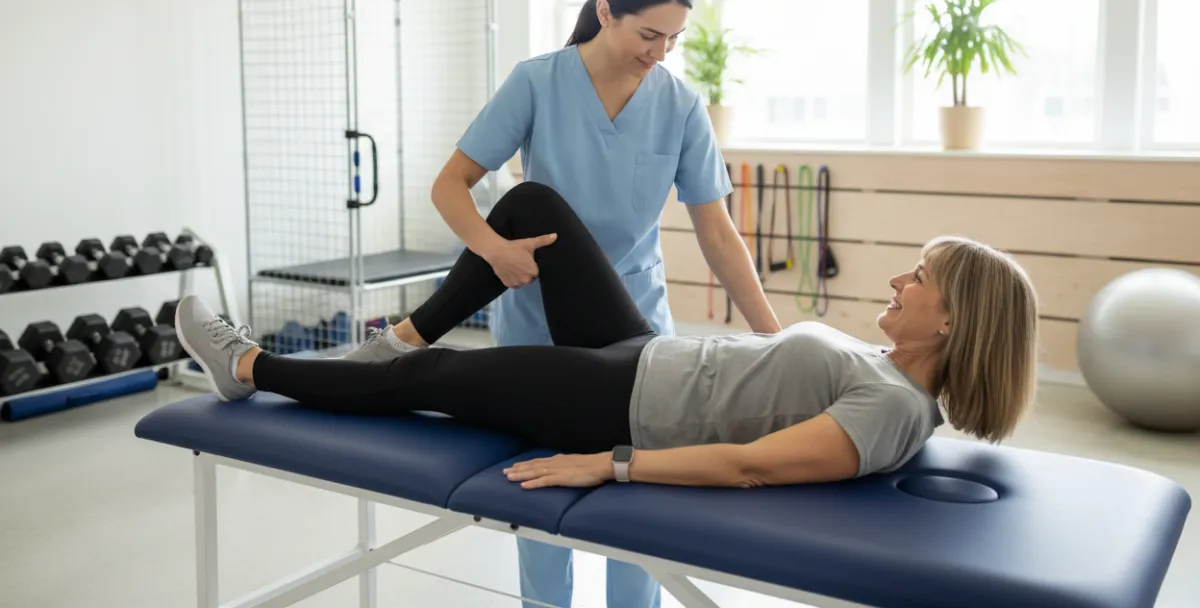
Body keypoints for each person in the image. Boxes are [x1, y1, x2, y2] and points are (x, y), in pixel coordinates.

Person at [346, 0, 780, 608]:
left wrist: (774, 340)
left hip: (637, 325)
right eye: (648, 34)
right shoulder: (538, 82)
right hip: (536, 319)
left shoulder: (681, 105)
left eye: (673, 39)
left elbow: (717, 233)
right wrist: (494, 250)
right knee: (538, 490)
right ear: (605, 12)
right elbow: (451, 185)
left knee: (638, 498)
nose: (661, 52)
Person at [177, 181, 1039, 500]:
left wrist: (612, 464)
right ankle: (387, 342)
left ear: (953, 321)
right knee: (535, 209)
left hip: (622, 406)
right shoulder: (887, 366)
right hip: (647, 353)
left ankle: (249, 366)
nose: (897, 281)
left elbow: (752, 465)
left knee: (433, 377)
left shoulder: (893, 409)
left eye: (918, 278)